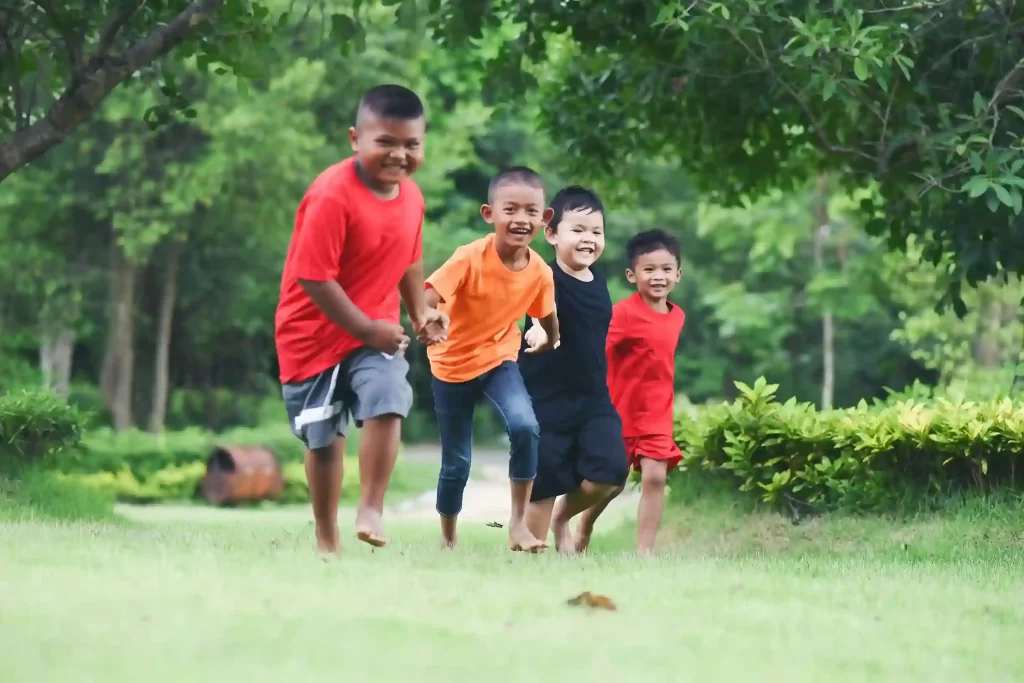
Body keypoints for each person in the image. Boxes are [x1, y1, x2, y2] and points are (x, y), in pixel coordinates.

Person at [274, 84, 447, 556]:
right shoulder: (333, 194)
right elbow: (314, 278)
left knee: (388, 397)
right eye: (385, 142)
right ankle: (326, 536)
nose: (399, 154)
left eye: (411, 144)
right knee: (324, 439)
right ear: (355, 139)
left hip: (376, 330)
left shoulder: (412, 198)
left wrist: (419, 311)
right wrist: (367, 328)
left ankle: (371, 508)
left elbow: (410, 257)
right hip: (310, 334)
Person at [424, 166, 560, 552]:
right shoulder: (469, 258)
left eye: (531, 211)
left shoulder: (540, 271)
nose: (521, 220)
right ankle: (448, 539)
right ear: (489, 214)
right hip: (450, 365)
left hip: (500, 359)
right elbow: (429, 294)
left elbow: (547, 313)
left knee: (525, 427)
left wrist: (551, 339)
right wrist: (429, 318)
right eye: (511, 210)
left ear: (545, 218)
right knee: (457, 462)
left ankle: (518, 525)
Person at [518, 186, 629, 554]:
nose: (589, 239)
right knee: (544, 482)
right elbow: (536, 312)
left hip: (593, 398)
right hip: (546, 400)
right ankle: (529, 557)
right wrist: (536, 328)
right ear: (551, 234)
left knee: (611, 472)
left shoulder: (598, 282)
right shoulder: (544, 277)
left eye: (596, 232)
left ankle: (562, 519)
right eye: (578, 230)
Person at [578, 229, 685, 555]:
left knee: (655, 477)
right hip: (618, 410)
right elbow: (597, 352)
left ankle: (644, 552)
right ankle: (583, 524)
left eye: (666, 269)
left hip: (656, 413)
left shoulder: (677, 315)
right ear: (631, 275)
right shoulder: (623, 314)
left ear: (678, 275)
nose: (658, 277)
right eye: (649, 269)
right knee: (610, 483)